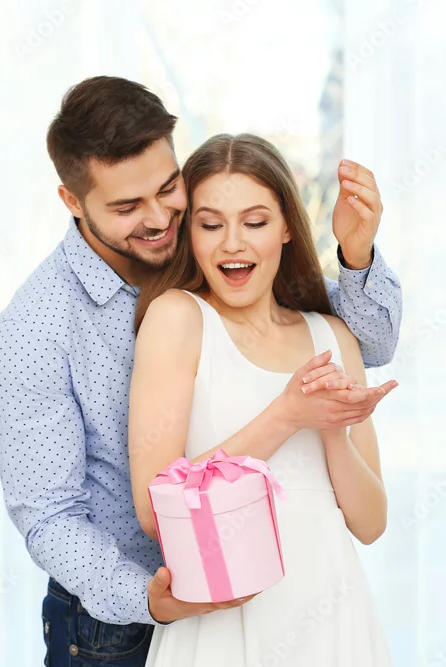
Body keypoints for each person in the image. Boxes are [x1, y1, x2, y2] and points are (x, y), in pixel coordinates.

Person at [0, 76, 401, 667]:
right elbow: (49, 516)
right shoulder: (34, 332)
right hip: (120, 619)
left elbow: (367, 341)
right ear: (73, 201)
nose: (159, 219)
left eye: (167, 188)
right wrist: (150, 599)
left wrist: (356, 257)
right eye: (127, 207)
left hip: (293, 599)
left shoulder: (212, 254)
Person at [129, 133, 394, 666]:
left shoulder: (332, 336)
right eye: (210, 225)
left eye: (255, 222)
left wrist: (332, 430)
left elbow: (370, 524)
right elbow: (157, 511)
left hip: (333, 620)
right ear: (189, 234)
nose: (233, 243)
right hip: (223, 628)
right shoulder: (179, 318)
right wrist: (287, 414)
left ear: (287, 228)